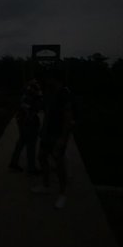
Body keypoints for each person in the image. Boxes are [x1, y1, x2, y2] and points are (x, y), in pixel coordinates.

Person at [32, 70, 76, 209]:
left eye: (49, 79)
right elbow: (48, 113)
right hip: (48, 133)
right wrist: (43, 130)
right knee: (42, 157)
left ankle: (63, 194)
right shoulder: (50, 93)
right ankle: (46, 185)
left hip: (57, 134)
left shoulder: (64, 94)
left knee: (59, 163)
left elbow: (68, 117)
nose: (47, 81)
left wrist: (63, 138)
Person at [9, 79, 42, 173]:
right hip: (27, 123)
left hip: (23, 121)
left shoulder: (26, 95)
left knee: (21, 142)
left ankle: (13, 162)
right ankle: (31, 168)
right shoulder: (31, 96)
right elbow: (32, 110)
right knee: (31, 145)